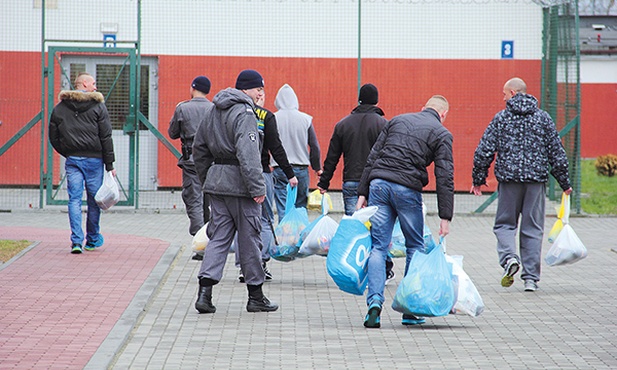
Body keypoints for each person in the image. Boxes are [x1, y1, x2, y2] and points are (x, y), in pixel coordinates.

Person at [356, 95, 454, 328]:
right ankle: (409, 309)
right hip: (407, 189)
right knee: (415, 247)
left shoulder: (397, 120)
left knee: (379, 246)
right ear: (443, 115)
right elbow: (445, 176)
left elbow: (373, 156)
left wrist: (362, 192)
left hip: (378, 184)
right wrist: (445, 216)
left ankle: (374, 303)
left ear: (423, 108)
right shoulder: (442, 134)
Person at [471, 77, 572, 293]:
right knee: (533, 228)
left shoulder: (502, 118)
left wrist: (478, 179)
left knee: (504, 224)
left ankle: (509, 258)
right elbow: (556, 152)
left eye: (505, 93)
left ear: (514, 93)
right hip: (535, 182)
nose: (503, 97)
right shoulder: (543, 118)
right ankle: (531, 279)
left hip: (509, 182)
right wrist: (564, 182)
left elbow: (484, 150)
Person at [192, 69, 278, 314]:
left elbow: (199, 148)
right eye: (257, 88)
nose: (261, 92)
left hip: (218, 182)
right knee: (250, 239)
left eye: (262, 88)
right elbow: (248, 153)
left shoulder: (213, 110)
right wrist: (257, 187)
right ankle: (256, 296)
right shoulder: (246, 112)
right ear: (245, 89)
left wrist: (208, 177)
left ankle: (204, 294)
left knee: (218, 238)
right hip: (242, 186)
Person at [317, 83, 395, 285]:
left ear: (359, 99)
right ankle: (384, 270)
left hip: (351, 182)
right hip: (377, 183)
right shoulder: (383, 124)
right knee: (379, 227)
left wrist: (324, 182)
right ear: (376, 101)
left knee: (356, 226)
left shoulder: (343, 124)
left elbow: (332, 157)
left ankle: (356, 267)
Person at [234, 84, 298, 283]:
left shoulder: (229, 113)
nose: (261, 92)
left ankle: (244, 267)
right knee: (264, 219)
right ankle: (261, 262)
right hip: (261, 173)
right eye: (257, 88)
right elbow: (276, 148)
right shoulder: (266, 116)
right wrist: (290, 174)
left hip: (235, 174)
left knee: (240, 221)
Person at [49, 72, 116, 254]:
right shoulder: (98, 106)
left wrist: (68, 152)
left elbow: (53, 136)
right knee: (95, 200)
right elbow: (106, 136)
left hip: (73, 161)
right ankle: (92, 240)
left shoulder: (60, 108)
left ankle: (76, 242)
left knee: (74, 200)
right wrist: (110, 164)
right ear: (84, 84)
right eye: (93, 83)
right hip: (95, 160)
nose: (95, 87)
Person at [168, 76, 214, 261]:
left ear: (192, 88)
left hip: (191, 160)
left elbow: (172, 133)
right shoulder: (214, 108)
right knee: (209, 201)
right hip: (211, 160)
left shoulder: (183, 107)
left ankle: (200, 244)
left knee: (193, 199)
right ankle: (212, 239)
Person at [271, 84, 322, 221]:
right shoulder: (306, 119)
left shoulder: (272, 118)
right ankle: (299, 236)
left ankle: (284, 237)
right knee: (300, 206)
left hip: (279, 169)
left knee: (283, 206)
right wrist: (317, 168)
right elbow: (314, 146)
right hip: (301, 169)